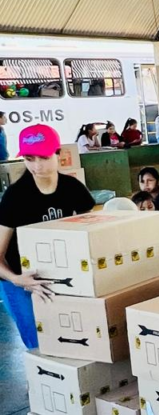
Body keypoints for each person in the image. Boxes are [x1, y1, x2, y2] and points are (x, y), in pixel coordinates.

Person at [0, 124, 95, 348]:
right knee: (39, 344)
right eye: (29, 158)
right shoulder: (16, 196)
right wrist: (16, 279)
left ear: (59, 155)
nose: (36, 165)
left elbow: (91, 233)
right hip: (21, 280)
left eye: (43, 157)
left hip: (62, 277)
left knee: (73, 340)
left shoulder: (73, 188)